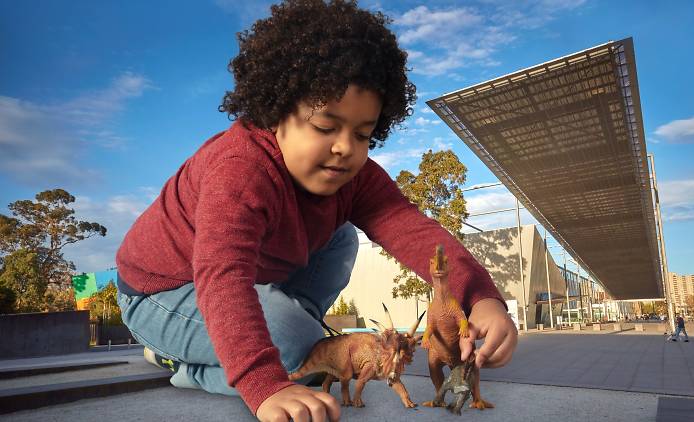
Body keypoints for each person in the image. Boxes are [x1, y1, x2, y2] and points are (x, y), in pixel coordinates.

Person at [114, 1, 518, 421]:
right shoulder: (239, 169)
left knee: (340, 235)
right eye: (325, 127)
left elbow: (415, 233)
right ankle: (184, 364)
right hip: (160, 293)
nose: (344, 147)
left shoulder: (353, 175)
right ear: (276, 113)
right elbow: (222, 275)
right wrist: (265, 384)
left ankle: (280, 331)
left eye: (363, 134)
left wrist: (482, 300)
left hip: (241, 279)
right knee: (300, 353)